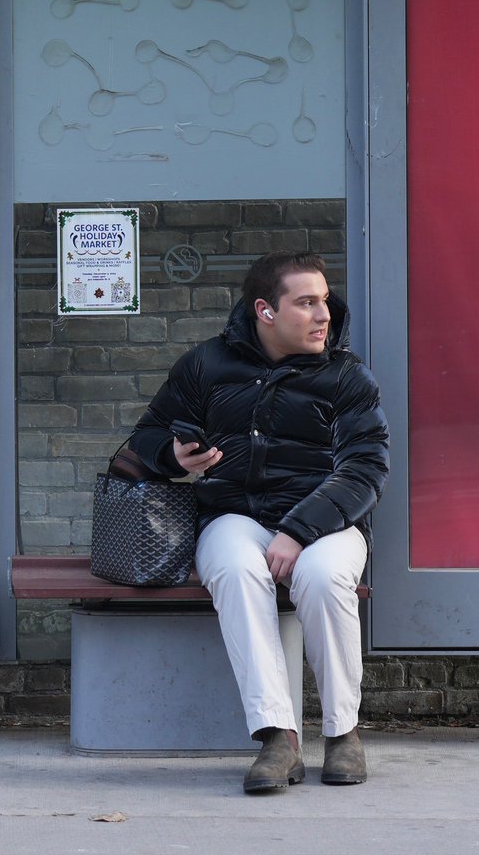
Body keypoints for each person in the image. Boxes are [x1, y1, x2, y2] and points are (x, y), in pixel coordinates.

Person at [130, 251, 389, 793]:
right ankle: (278, 737)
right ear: (265, 311)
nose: (324, 315)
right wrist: (175, 458)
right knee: (232, 565)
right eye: (307, 303)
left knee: (321, 577)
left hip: (326, 520)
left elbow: (365, 469)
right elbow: (146, 436)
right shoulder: (206, 364)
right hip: (234, 514)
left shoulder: (346, 375)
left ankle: (344, 734)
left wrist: (299, 530)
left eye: (325, 301)